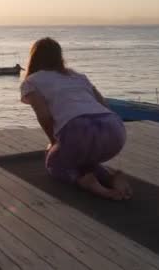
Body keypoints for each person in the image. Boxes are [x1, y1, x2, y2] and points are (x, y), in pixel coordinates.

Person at [20, 37, 132, 200]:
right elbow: (104, 105)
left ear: (34, 58)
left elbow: (44, 115)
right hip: (114, 129)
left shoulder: (32, 81)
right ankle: (110, 177)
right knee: (82, 157)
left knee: (55, 163)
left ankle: (87, 183)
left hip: (78, 129)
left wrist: (54, 142)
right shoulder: (79, 77)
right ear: (59, 57)